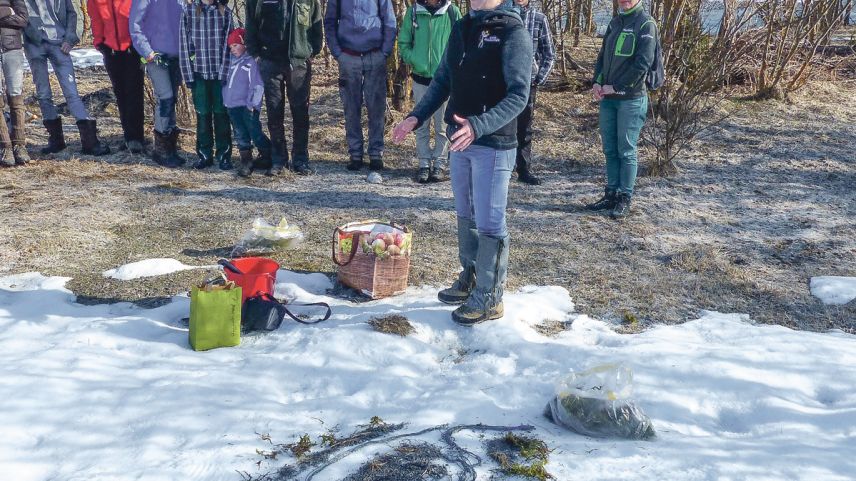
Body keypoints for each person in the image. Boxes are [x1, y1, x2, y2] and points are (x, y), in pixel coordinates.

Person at [392, 0, 532, 325]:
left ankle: (490, 297)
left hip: (492, 144)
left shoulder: (513, 32)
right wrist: (415, 116)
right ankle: (470, 278)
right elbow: (443, 81)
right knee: (465, 213)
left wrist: (479, 125)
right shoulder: (462, 27)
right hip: (458, 139)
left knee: (490, 222)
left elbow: (518, 95)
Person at [587, 0, 656, 219]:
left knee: (626, 149)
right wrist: (597, 82)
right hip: (608, 98)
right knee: (609, 148)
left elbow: (643, 63)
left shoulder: (646, 24)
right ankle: (611, 193)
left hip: (631, 99)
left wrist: (617, 86)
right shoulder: (615, 22)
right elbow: (602, 57)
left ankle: (625, 197)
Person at [245, 0, 323, 176]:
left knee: (300, 113)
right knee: (274, 113)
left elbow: (316, 26)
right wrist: (256, 54)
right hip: (269, 61)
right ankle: (279, 160)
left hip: (298, 62)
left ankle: (300, 160)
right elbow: (251, 24)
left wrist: (311, 52)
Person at [23, 0, 110, 156]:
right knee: (43, 94)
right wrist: (30, 35)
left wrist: (70, 38)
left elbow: (73, 13)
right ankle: (56, 141)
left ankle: (90, 142)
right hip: (34, 46)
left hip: (60, 44)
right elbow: (18, 14)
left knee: (71, 93)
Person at [324, 0, 397, 171]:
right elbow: (330, 21)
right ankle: (355, 153)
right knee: (351, 108)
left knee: (376, 109)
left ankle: (376, 153)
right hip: (348, 57)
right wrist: (337, 53)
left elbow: (389, 20)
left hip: (375, 55)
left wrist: (385, 52)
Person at [398, 0, 460, 184]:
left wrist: (452, 66)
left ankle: (439, 164)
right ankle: (424, 163)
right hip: (420, 78)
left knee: (442, 125)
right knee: (420, 124)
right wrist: (414, 59)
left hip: (445, 81)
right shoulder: (413, 12)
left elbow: (462, 42)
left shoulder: (452, 12)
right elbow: (403, 42)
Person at [179, 0, 233, 170]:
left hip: (220, 75)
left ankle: (224, 155)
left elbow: (229, 47)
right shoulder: (189, 11)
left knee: (221, 114)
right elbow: (183, 45)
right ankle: (204, 154)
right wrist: (188, 74)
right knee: (202, 115)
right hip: (199, 74)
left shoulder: (225, 13)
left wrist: (225, 74)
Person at [130, 0, 184, 168]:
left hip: (178, 56)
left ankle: (170, 147)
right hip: (156, 57)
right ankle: (160, 149)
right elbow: (134, 25)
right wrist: (147, 52)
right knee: (165, 97)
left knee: (172, 98)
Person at [88, 0, 146, 154]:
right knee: (120, 94)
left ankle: (136, 138)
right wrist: (99, 42)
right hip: (111, 49)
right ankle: (128, 136)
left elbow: (141, 17)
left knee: (134, 93)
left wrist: (140, 43)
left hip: (132, 48)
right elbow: (96, 19)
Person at [512, 0, 553, 185]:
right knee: (502, 127)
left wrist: (539, 78)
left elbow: (549, 53)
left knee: (524, 128)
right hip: (503, 82)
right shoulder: (502, 14)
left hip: (528, 83)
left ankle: (523, 169)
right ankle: (503, 168)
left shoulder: (539, 18)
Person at [222, 28, 270, 178]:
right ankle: (246, 161)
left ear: (244, 44)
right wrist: (226, 100)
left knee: (254, 132)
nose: (233, 49)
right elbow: (225, 83)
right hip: (232, 106)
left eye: (236, 45)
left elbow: (257, 84)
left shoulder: (251, 62)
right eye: (230, 47)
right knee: (240, 133)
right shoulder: (228, 63)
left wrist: (252, 104)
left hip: (248, 106)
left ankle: (269, 154)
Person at [0, 0, 30, 166]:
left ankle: (20, 144)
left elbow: (23, 19)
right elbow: (14, 17)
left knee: (16, 96)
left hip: (12, 48)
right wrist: (7, 12)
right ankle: (6, 147)